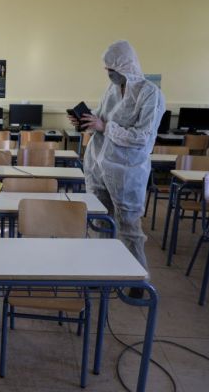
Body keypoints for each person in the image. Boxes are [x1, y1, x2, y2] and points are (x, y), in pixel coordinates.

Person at [70, 40, 165, 297]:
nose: (108, 73)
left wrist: (104, 127)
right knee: (100, 222)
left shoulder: (150, 94)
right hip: (99, 166)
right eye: (106, 68)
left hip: (127, 172)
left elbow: (142, 137)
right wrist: (86, 121)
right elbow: (101, 117)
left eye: (111, 68)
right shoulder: (112, 90)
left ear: (126, 66)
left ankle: (139, 280)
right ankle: (99, 271)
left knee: (129, 227)